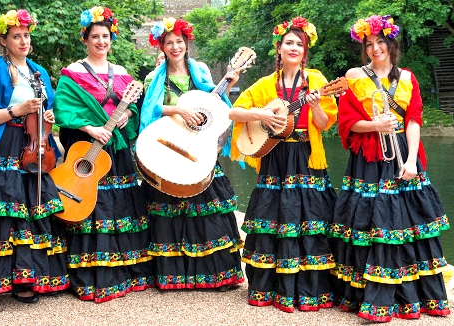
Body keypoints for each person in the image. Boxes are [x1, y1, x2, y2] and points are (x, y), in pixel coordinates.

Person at [329, 14, 451, 322]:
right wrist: (375, 123)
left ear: (391, 44)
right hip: (370, 159)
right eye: (369, 44)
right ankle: (371, 300)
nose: (375, 48)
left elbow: (413, 120)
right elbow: (346, 124)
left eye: (380, 42)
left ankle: (416, 299)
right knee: (372, 223)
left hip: (403, 155)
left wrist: (411, 161)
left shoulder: (408, 78)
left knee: (408, 224)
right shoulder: (354, 75)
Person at [229, 17, 338, 312]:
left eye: (299, 44)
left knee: (311, 219)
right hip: (275, 158)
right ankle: (271, 290)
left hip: (306, 156)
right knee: (274, 219)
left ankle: (310, 292)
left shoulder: (316, 80)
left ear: (305, 50)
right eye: (288, 42)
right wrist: (261, 116)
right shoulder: (266, 84)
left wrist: (315, 104)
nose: (294, 47)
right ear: (278, 48)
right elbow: (234, 112)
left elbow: (324, 123)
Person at [0, 9, 69, 304]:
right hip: (7, 145)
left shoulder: (38, 71)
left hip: (35, 145)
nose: (23, 41)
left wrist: (48, 114)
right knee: (11, 210)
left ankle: (37, 276)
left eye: (26, 35)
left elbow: (51, 106)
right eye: (16, 37)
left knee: (36, 207)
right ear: (4, 41)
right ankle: (15, 280)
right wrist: (16, 111)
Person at [53, 6, 154, 303]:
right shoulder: (72, 73)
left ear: (112, 39)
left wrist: (126, 116)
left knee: (121, 204)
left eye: (105, 36)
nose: (101, 41)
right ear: (85, 38)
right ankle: (93, 276)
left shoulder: (122, 73)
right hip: (89, 145)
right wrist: (91, 128)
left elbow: (134, 108)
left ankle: (125, 271)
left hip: (116, 148)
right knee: (94, 205)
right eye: (95, 36)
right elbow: (65, 109)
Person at [139, 17, 245, 290]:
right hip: (168, 146)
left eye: (179, 41)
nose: (175, 47)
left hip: (199, 146)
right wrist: (177, 109)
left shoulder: (201, 70)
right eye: (169, 42)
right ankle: (171, 276)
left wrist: (229, 83)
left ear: (186, 43)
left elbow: (215, 105)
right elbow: (148, 111)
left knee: (208, 211)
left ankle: (215, 276)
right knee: (168, 212)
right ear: (161, 47)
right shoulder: (154, 77)